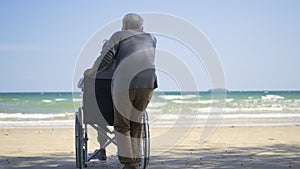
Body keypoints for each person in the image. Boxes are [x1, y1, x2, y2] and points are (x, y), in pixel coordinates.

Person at [84, 13, 157, 169]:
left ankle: (129, 164)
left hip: (125, 82)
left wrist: (92, 72)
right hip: (148, 82)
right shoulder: (151, 38)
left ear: (124, 25)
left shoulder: (119, 35)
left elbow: (106, 58)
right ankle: (135, 162)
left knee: (122, 125)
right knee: (136, 123)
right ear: (142, 28)